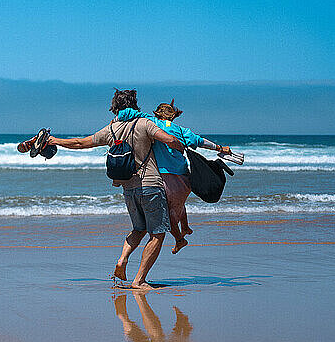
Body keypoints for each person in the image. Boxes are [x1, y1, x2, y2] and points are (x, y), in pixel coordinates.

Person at [47, 89, 184, 290]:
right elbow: (169, 139)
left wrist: (55, 141)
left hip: (128, 188)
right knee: (158, 234)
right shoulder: (145, 124)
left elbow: (80, 143)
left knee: (139, 228)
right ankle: (139, 280)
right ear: (135, 104)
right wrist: (180, 145)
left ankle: (122, 259)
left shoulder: (111, 129)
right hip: (150, 186)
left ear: (115, 107)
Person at [116, 100, 231, 253]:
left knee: (167, 214)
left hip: (161, 179)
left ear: (157, 113)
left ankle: (180, 240)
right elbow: (200, 141)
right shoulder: (182, 130)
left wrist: (116, 120)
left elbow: (128, 113)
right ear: (173, 116)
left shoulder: (151, 122)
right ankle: (185, 227)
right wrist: (220, 147)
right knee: (177, 204)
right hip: (183, 179)